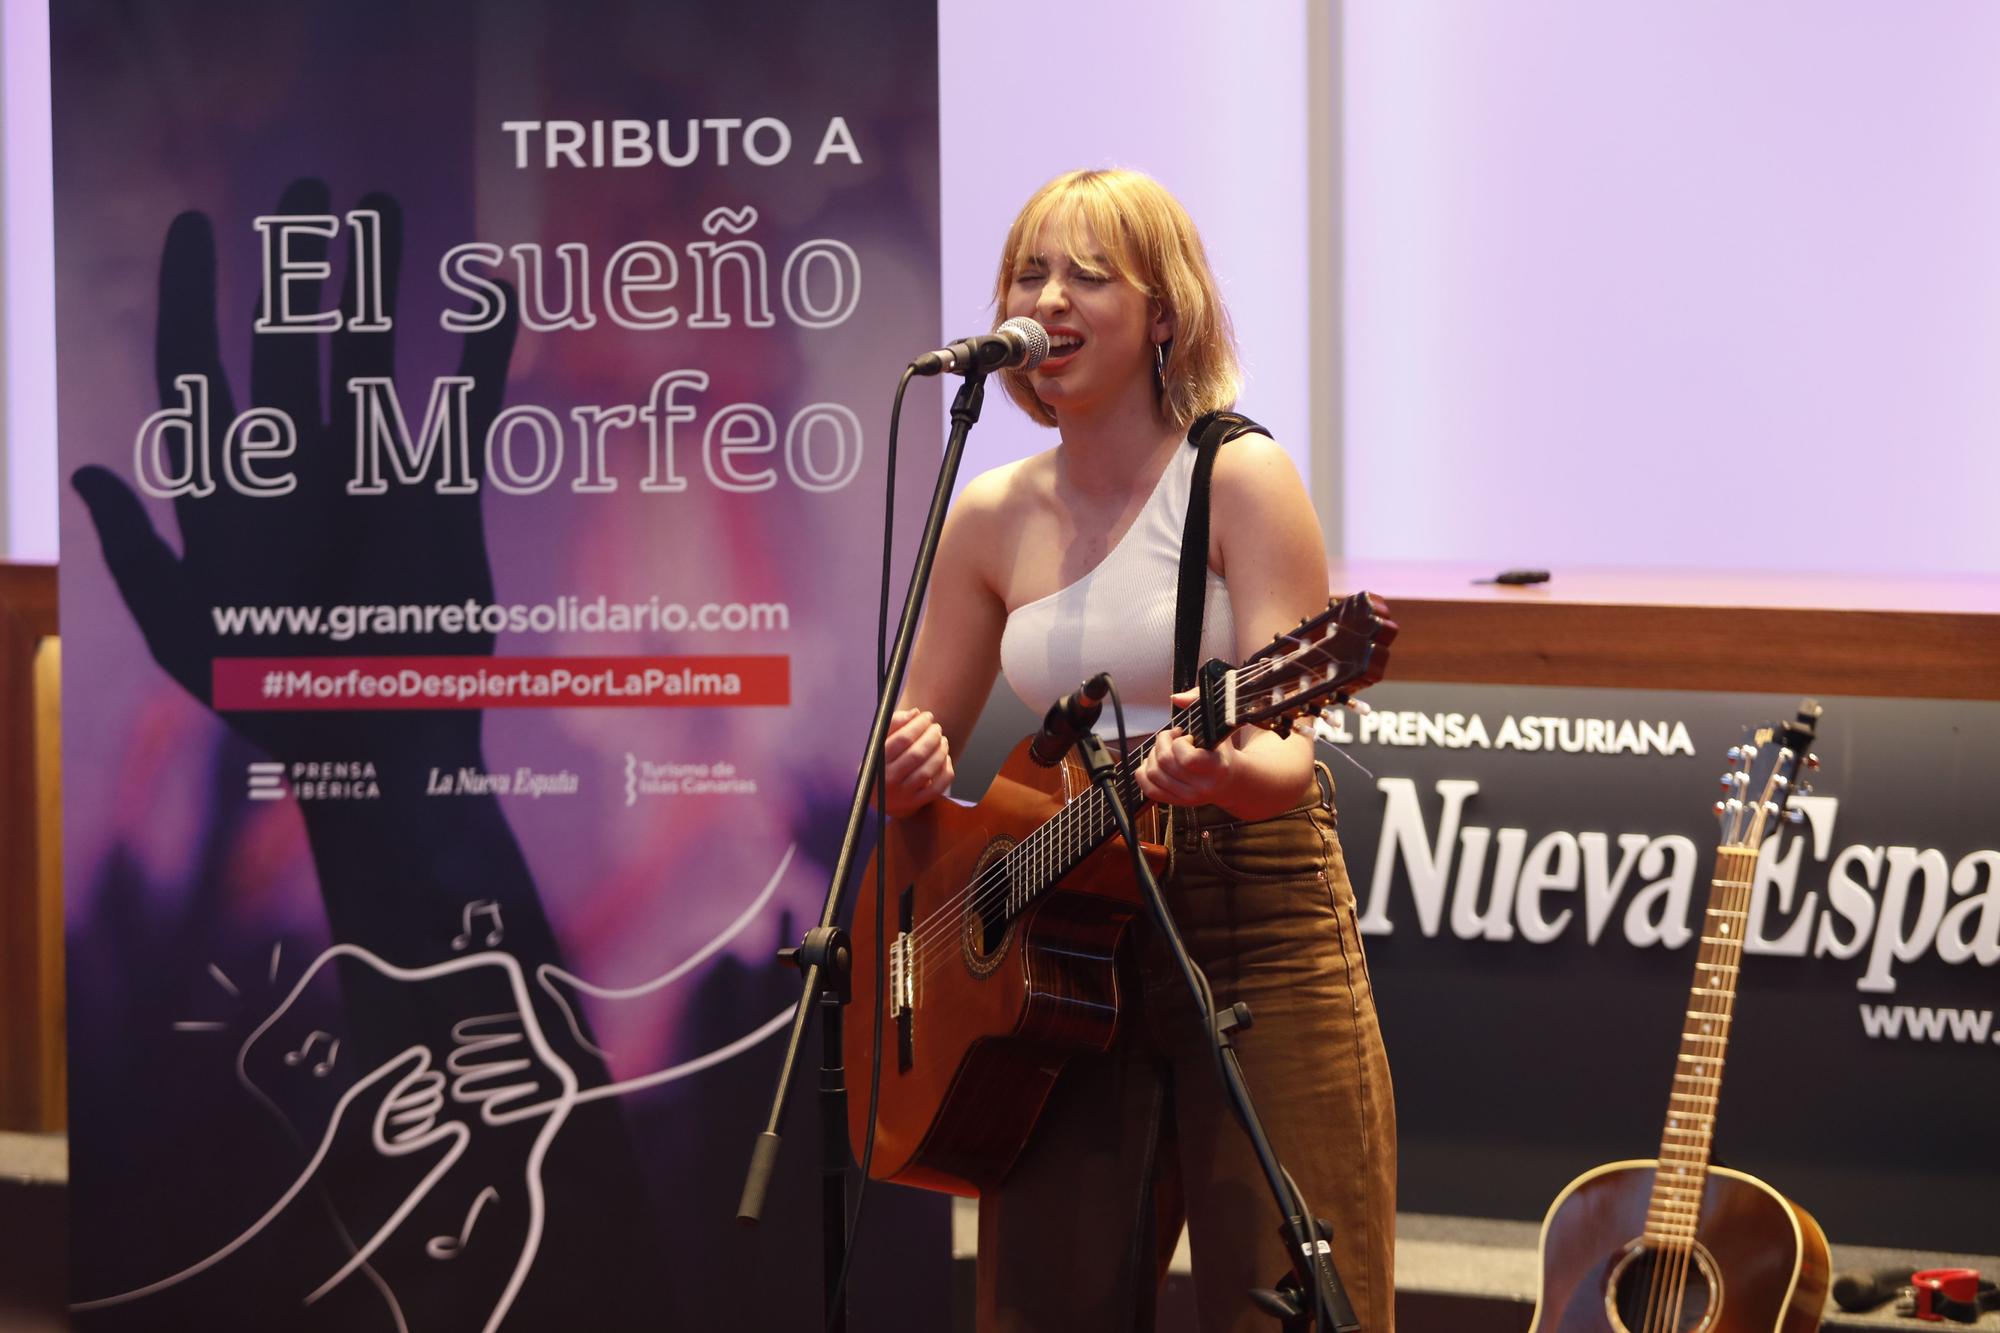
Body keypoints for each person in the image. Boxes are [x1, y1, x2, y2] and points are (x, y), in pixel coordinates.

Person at [879, 168, 1396, 1333]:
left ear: (1164, 311)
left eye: (1087, 275)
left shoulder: (1237, 474)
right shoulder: (987, 512)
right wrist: (905, 768)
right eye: (1028, 271)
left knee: (1292, 1303)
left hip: (1245, 921)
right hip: (1055, 942)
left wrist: (1220, 767)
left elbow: (1283, 754)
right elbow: (908, 761)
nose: (1046, 298)